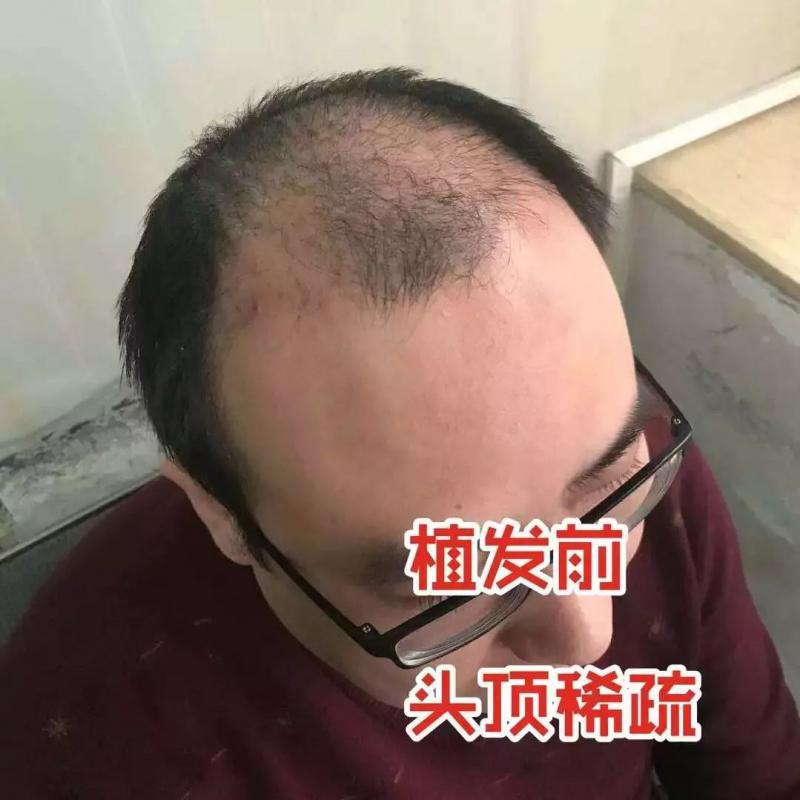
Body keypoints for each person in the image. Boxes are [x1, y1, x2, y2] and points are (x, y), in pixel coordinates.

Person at [1, 68, 798, 800]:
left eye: (606, 497)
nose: (587, 636)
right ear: (223, 513)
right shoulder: (95, 745)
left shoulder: (646, 477)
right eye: (452, 586)